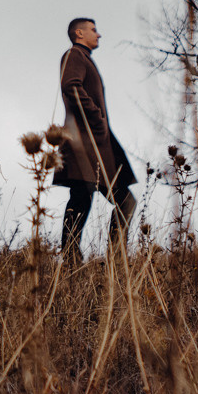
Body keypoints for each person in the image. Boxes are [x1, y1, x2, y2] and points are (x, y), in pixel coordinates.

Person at [55, 17, 137, 260]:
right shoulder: (74, 55)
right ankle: (96, 259)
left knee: (89, 199)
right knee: (108, 199)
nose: (98, 34)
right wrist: (96, 117)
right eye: (93, 30)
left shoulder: (83, 58)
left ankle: (86, 259)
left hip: (94, 143)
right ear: (79, 34)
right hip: (85, 143)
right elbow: (71, 86)